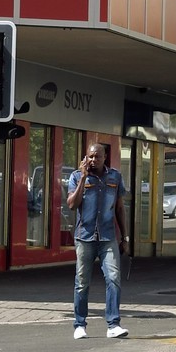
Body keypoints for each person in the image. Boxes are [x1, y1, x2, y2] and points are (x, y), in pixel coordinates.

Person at [66, 143, 129, 340]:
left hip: (108, 237)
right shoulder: (77, 176)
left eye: (97, 157)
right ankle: (80, 324)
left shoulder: (115, 177)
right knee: (82, 282)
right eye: (90, 156)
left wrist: (125, 237)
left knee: (113, 278)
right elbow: (71, 205)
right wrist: (83, 178)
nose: (93, 160)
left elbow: (119, 209)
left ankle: (113, 325)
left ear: (105, 157)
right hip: (84, 237)